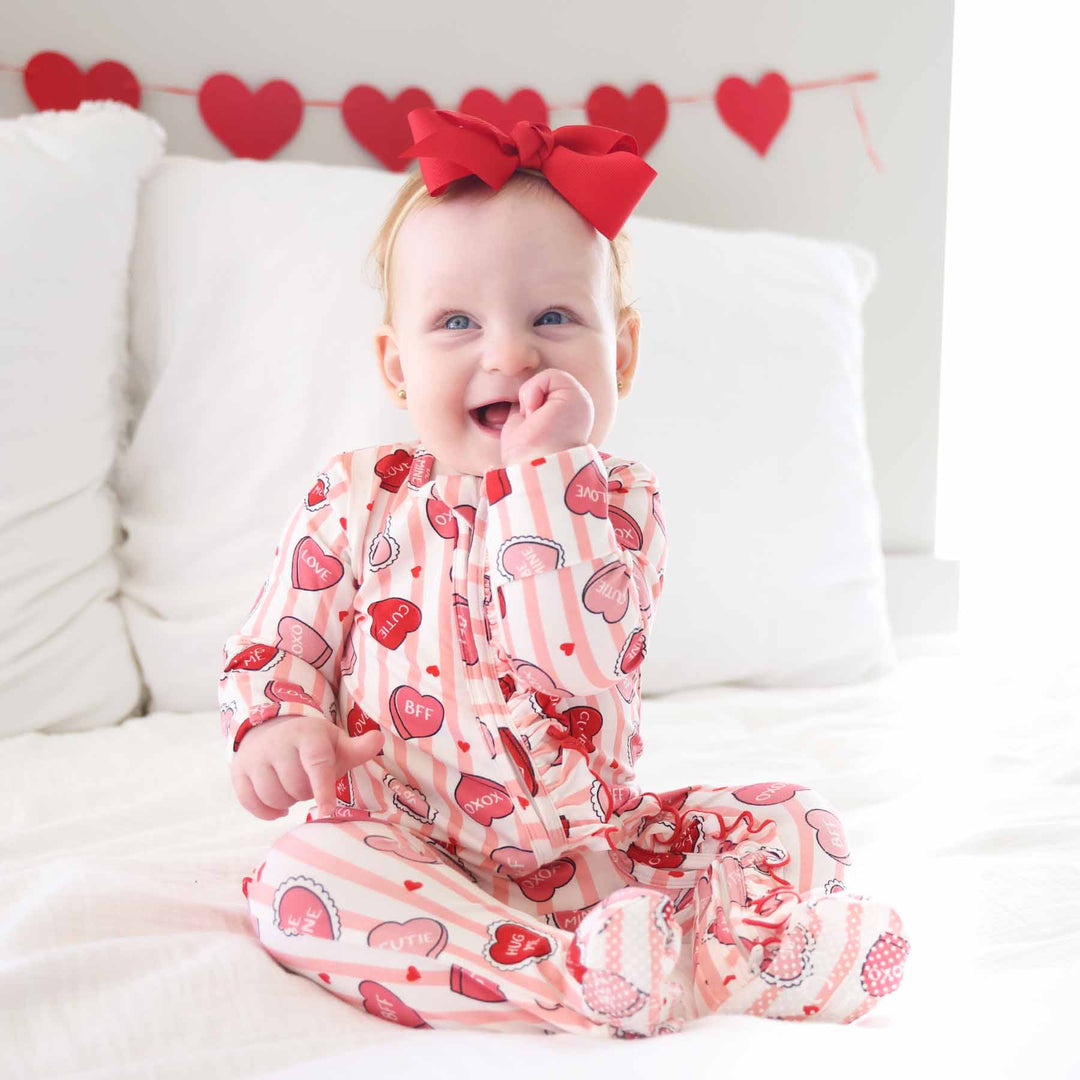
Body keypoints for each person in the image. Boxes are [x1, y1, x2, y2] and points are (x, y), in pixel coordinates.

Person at [217, 107, 909, 1038]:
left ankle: (744, 959)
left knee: (798, 821)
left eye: (553, 316)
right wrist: (277, 722)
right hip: (408, 843)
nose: (510, 353)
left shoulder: (616, 501)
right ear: (396, 364)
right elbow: (278, 640)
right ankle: (575, 982)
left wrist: (546, 478)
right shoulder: (354, 497)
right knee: (298, 880)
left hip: (594, 849)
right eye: (456, 321)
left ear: (618, 353)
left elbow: (572, 665)